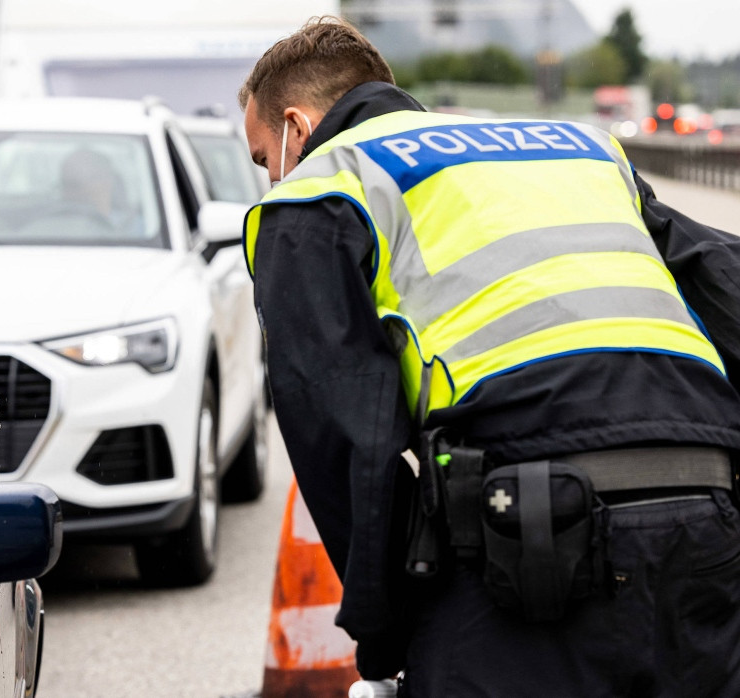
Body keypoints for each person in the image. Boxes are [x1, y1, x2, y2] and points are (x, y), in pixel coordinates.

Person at [239, 16, 740, 696]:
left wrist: (388, 634)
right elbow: (721, 277)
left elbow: (342, 434)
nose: (270, 176)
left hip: (525, 536)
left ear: (296, 128)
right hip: (705, 512)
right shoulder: (582, 148)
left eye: (262, 158)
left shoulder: (323, 184)